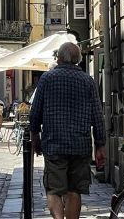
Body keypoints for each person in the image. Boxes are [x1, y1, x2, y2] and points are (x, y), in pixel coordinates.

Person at [29, 42, 105, 219]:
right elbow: (97, 116)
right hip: (80, 145)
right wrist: (100, 145)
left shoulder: (47, 79)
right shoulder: (88, 81)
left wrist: (35, 136)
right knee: (74, 190)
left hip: (54, 144)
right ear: (78, 59)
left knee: (54, 190)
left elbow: (35, 113)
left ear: (59, 58)